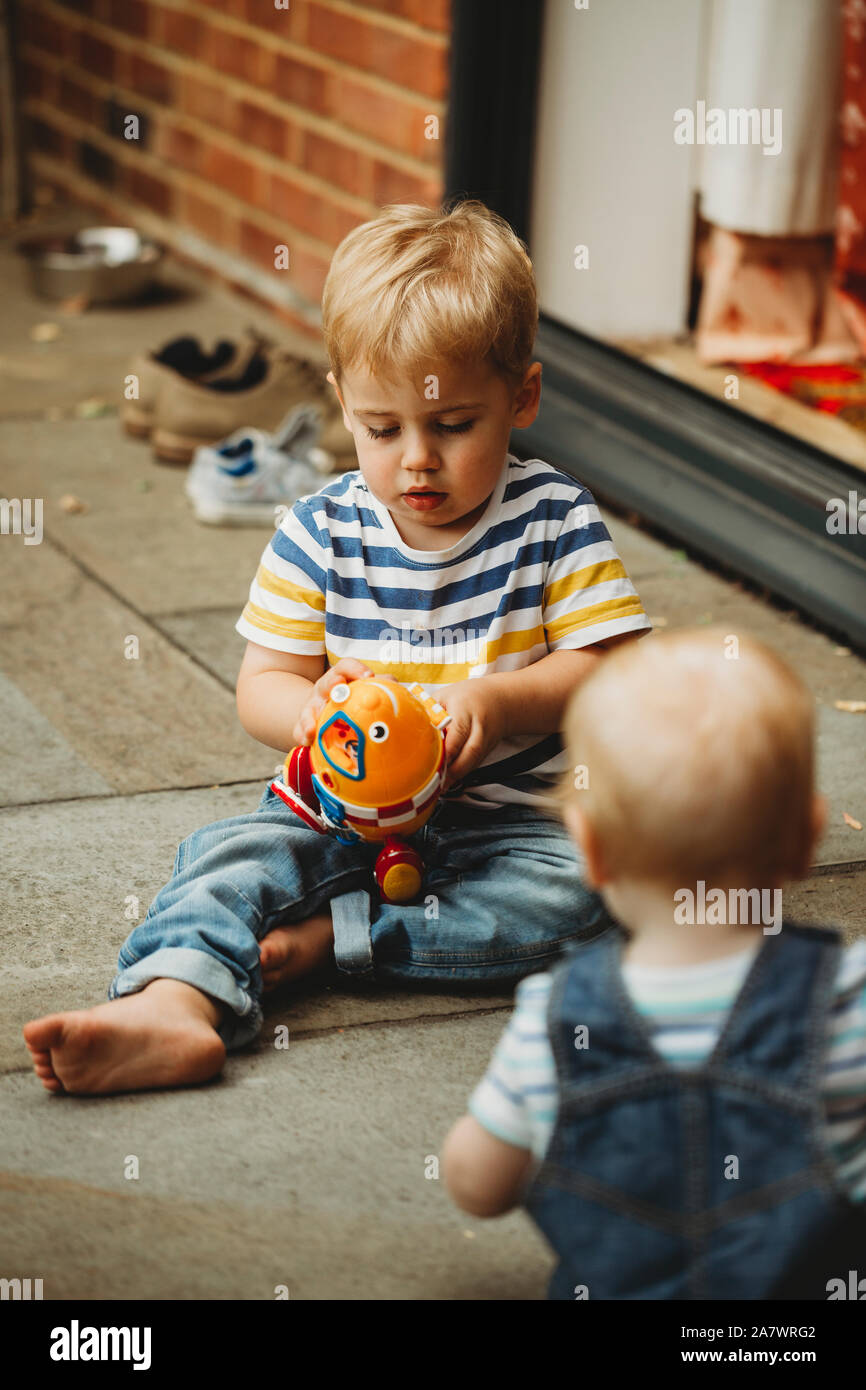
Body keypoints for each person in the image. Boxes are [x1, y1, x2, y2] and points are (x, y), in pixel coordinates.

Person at [23, 200, 649, 1096]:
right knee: (230, 856)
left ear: (524, 397)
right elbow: (263, 686)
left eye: (455, 425)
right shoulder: (320, 531)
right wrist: (309, 710)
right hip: (338, 809)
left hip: (512, 825)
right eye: (382, 428)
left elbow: (616, 670)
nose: (417, 461)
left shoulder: (555, 520)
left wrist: (500, 701)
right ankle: (171, 1004)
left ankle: (332, 942)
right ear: (341, 405)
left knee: (581, 901)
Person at [442, 629, 866, 1299]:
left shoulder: (555, 1025)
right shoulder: (847, 1003)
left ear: (591, 851)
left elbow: (474, 1182)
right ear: (808, 839)